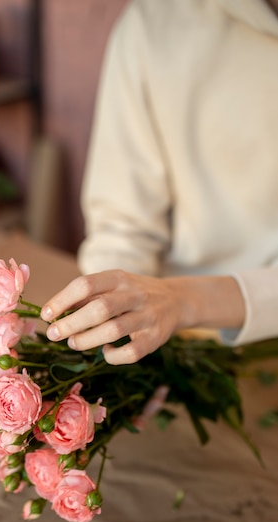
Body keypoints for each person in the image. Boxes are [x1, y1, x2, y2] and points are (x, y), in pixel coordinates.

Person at [40, 0, 278, 364]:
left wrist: (184, 300)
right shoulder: (155, 23)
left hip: (187, 309)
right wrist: (112, 324)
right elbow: (123, 226)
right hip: (185, 341)